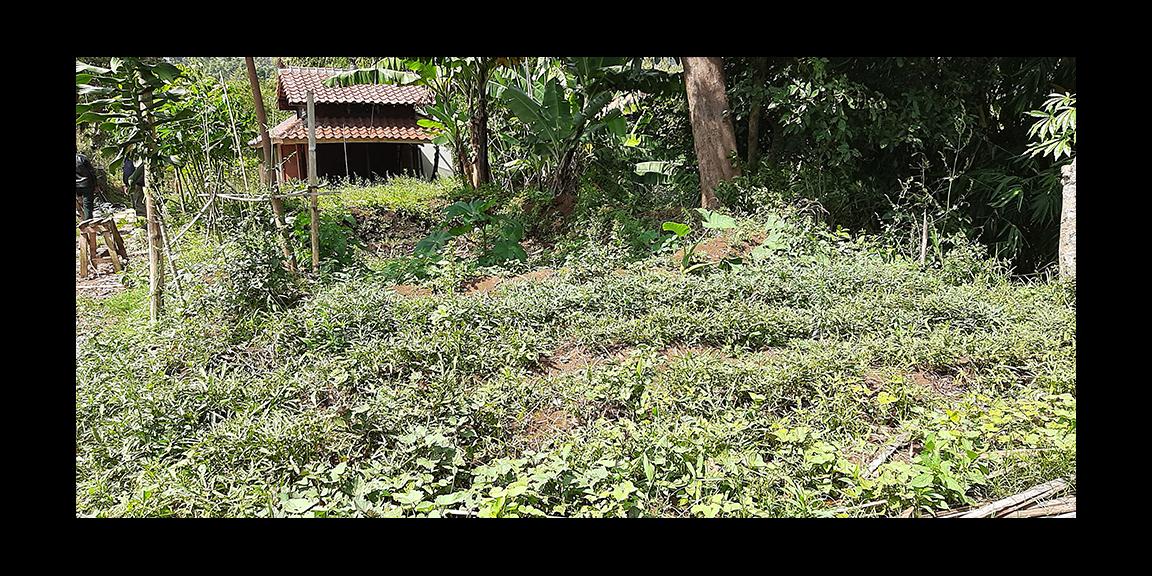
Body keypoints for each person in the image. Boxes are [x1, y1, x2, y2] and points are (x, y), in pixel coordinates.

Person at [75, 152, 98, 220]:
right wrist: (96, 184)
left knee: (80, 202)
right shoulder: (82, 158)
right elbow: (91, 172)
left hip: (77, 185)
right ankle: (88, 221)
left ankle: (82, 219)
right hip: (86, 183)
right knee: (87, 203)